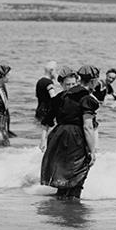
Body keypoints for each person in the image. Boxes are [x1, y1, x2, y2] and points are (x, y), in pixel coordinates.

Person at [40, 67, 96, 198]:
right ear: (61, 84)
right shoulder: (82, 97)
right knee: (75, 173)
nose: (70, 87)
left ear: (77, 81)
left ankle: (64, 203)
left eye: (73, 84)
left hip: (59, 135)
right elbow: (47, 120)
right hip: (73, 137)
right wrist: (93, 151)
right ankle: (71, 206)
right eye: (67, 85)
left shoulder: (61, 98)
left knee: (65, 175)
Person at [34, 61, 59, 126]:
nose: (57, 73)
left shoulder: (40, 81)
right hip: (46, 112)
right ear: (51, 71)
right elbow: (53, 97)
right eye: (56, 71)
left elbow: (37, 95)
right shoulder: (49, 83)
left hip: (39, 110)